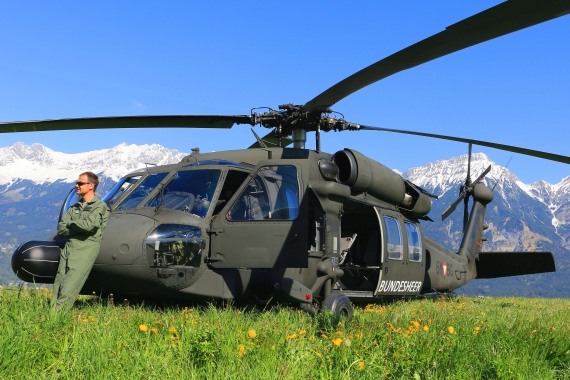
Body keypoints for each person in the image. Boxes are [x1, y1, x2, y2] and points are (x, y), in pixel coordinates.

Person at [51, 171, 109, 312]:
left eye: (80, 183)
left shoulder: (99, 206)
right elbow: (61, 229)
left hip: (85, 248)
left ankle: (56, 317)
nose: (77, 186)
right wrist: (77, 226)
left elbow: (89, 226)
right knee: (59, 282)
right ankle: (52, 314)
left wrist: (71, 224)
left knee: (70, 284)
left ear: (91, 185)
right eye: (77, 183)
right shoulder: (74, 208)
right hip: (69, 246)